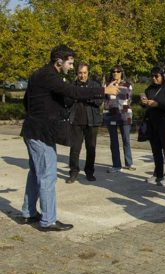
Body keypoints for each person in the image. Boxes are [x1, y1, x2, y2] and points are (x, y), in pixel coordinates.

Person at [20, 44, 119, 231]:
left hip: (33, 130)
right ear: (59, 61)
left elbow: (28, 101)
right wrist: (103, 90)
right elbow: (73, 92)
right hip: (41, 133)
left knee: (35, 173)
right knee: (48, 175)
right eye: (70, 62)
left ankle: (28, 213)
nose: (72, 67)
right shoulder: (49, 76)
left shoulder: (38, 74)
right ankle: (48, 220)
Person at [65, 63, 103, 183]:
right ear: (77, 73)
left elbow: (99, 101)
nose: (82, 75)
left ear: (88, 73)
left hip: (92, 122)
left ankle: (90, 172)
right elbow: (66, 101)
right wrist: (75, 95)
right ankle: (73, 172)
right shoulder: (72, 86)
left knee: (91, 148)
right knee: (75, 148)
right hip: (76, 121)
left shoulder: (95, 85)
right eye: (80, 73)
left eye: (84, 73)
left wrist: (86, 95)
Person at [142, 65, 165, 186]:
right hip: (153, 122)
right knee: (156, 150)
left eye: (156, 76)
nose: (154, 78)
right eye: (152, 76)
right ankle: (158, 174)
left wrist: (157, 104)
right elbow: (146, 104)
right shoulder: (150, 89)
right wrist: (144, 102)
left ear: (163, 76)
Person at [103, 65, 135, 173]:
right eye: (113, 71)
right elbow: (105, 101)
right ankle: (116, 165)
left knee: (126, 139)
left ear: (121, 72)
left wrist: (122, 110)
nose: (115, 73)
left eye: (118, 71)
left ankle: (129, 163)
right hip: (111, 115)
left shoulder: (128, 85)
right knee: (114, 141)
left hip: (125, 116)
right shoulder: (106, 85)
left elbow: (128, 100)